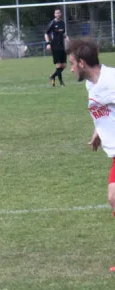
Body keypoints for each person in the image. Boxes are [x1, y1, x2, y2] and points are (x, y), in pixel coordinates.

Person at [66, 38, 115, 217]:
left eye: (72, 64)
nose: (71, 69)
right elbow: (103, 107)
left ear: (82, 63)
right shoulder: (91, 83)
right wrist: (98, 131)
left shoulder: (111, 80)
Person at [45, 8, 69, 87]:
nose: (58, 14)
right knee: (58, 65)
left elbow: (63, 33)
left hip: (62, 46)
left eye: (59, 13)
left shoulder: (63, 23)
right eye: (56, 13)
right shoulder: (52, 23)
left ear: (60, 14)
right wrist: (48, 43)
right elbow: (46, 34)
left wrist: (67, 37)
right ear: (54, 14)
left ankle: (52, 76)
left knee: (64, 65)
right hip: (55, 46)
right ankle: (61, 82)